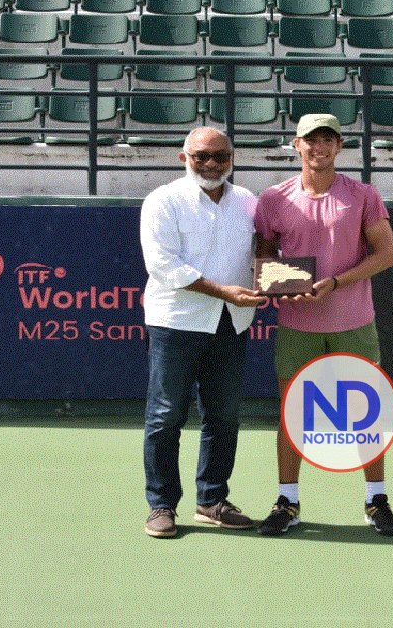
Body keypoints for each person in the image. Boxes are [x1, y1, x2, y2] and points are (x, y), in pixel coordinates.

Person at [253, 114, 393, 537]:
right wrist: (281, 287)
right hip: (297, 324)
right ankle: (288, 501)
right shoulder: (273, 199)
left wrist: (337, 282)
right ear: (296, 145)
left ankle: (377, 500)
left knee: (365, 412)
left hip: (354, 321)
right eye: (310, 140)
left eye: (328, 140)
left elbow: (385, 254)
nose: (319, 147)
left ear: (339, 147)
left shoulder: (363, 195)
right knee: (293, 413)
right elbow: (265, 263)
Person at [138, 127, 263, 538]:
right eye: (201, 156)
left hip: (232, 322)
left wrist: (276, 282)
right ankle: (161, 505)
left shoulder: (247, 202)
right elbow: (164, 266)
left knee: (224, 416)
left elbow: (262, 254)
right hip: (176, 321)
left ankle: (211, 499)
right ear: (183, 158)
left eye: (220, 156)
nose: (211, 164)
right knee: (165, 415)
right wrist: (224, 290)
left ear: (232, 157)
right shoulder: (163, 201)